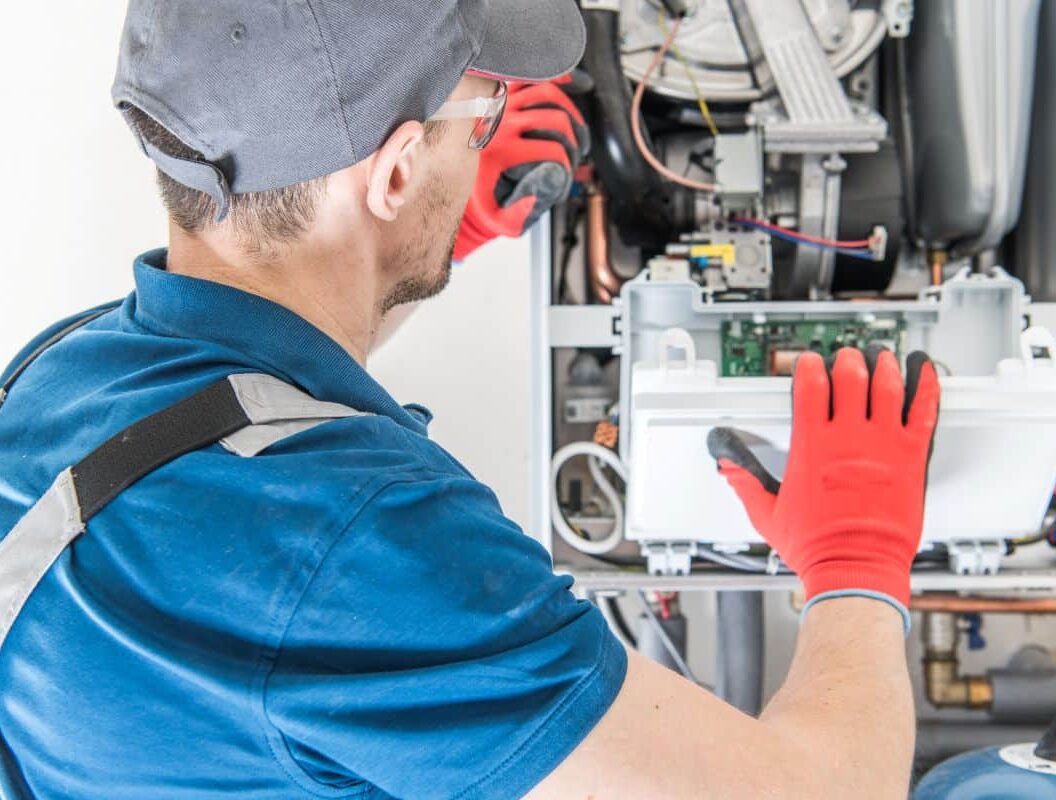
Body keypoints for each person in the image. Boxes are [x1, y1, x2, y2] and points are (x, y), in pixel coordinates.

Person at [0, 1, 939, 798]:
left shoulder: (66, 375)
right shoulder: (361, 545)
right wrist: (859, 561)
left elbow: (253, 407)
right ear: (396, 172)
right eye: (482, 117)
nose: (491, 137)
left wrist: (434, 234)